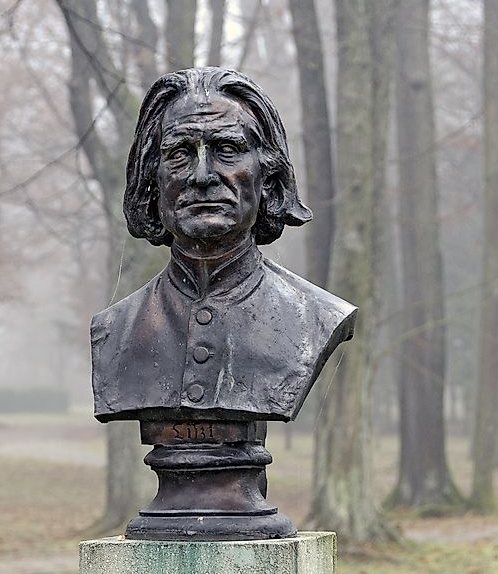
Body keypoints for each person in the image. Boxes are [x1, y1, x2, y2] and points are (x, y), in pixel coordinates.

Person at [91, 67, 356, 423]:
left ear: (267, 174)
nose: (202, 176)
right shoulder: (115, 330)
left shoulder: (316, 318)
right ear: (152, 179)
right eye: (180, 153)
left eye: (227, 149)